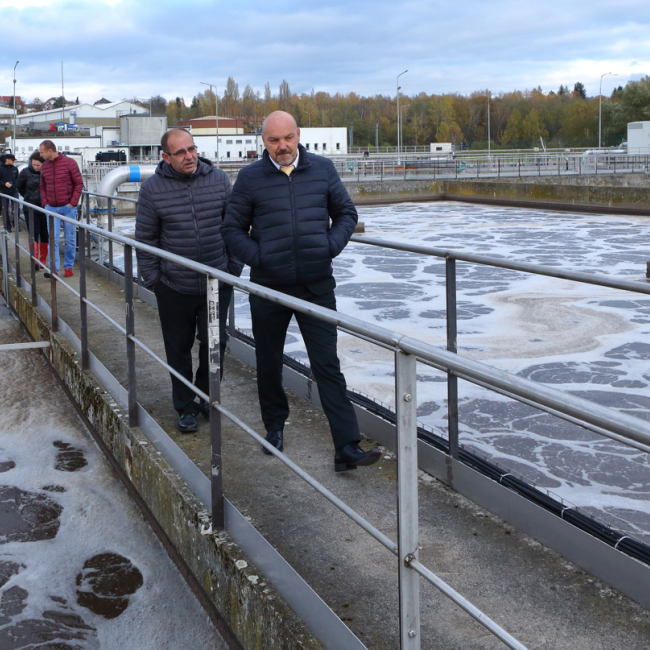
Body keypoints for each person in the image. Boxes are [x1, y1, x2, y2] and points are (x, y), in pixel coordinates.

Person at [222, 111, 381, 472]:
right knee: (268, 361)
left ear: (298, 135)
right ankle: (274, 429)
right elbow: (231, 229)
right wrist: (260, 258)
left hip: (316, 285)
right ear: (263, 142)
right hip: (269, 287)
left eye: (288, 138)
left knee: (327, 365)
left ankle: (347, 446)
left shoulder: (322, 170)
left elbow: (346, 214)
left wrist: (328, 247)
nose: (282, 146)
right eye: (274, 140)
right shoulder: (249, 178)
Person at [135, 128, 243, 434]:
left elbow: (234, 226)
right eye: (181, 152)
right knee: (178, 349)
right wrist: (155, 281)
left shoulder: (219, 180)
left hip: (215, 284)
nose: (189, 156)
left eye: (192, 149)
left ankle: (208, 398)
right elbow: (145, 240)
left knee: (214, 345)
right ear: (166, 157)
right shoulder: (153, 189)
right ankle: (185, 407)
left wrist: (231, 270)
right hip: (174, 287)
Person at [39, 140, 84, 278]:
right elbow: (42, 186)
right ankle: (54, 269)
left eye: (42, 152)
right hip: (51, 208)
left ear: (50, 151)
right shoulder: (45, 167)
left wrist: (73, 203)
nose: (40, 155)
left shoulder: (70, 163)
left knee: (70, 238)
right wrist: (45, 203)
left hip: (68, 208)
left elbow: (79, 183)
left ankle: (68, 266)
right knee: (53, 239)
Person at [17, 151, 49, 271]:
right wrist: (28, 197)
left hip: (45, 207)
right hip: (30, 206)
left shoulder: (47, 173)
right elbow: (19, 187)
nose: (35, 167)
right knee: (33, 232)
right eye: (33, 164)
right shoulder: (25, 172)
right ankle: (34, 259)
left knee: (45, 233)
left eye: (38, 165)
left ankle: (43, 259)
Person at [0, 154, 19, 232]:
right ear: (7, 159)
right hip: (4, 192)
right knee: (5, 209)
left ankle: (16, 223)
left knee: (16, 208)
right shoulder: (0, 168)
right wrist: (4, 184)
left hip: (14, 191)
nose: (14, 162)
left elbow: (18, 178)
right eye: (12, 160)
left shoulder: (14, 168)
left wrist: (17, 186)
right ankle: (8, 226)